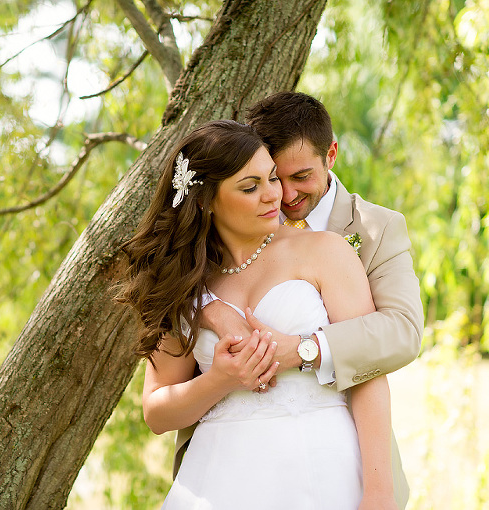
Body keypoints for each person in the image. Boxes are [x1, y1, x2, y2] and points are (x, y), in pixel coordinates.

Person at [118, 120, 396, 508]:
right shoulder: (184, 285)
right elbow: (156, 413)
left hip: (321, 470)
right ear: (205, 200)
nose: (273, 196)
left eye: (271, 179)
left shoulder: (325, 252)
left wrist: (379, 495)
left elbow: (368, 374)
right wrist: (218, 380)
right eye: (250, 187)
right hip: (216, 482)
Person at [174, 92, 424, 507]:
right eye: (273, 176)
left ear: (332, 154)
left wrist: (305, 350)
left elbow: (402, 332)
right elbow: (190, 274)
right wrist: (209, 309)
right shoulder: (232, 225)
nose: (285, 196)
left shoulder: (376, 228)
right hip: (220, 466)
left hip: (338, 455)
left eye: (301, 176)